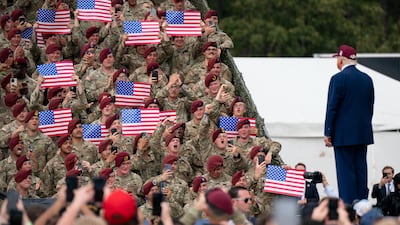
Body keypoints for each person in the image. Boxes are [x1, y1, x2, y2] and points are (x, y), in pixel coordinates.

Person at [324, 44, 374, 204]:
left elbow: (332, 108)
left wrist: (328, 132)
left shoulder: (338, 79)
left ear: (341, 59)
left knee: (346, 176)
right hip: (362, 133)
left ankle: (349, 210)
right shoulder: (367, 79)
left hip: (343, 136)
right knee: (361, 173)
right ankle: (362, 207)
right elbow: (370, 107)